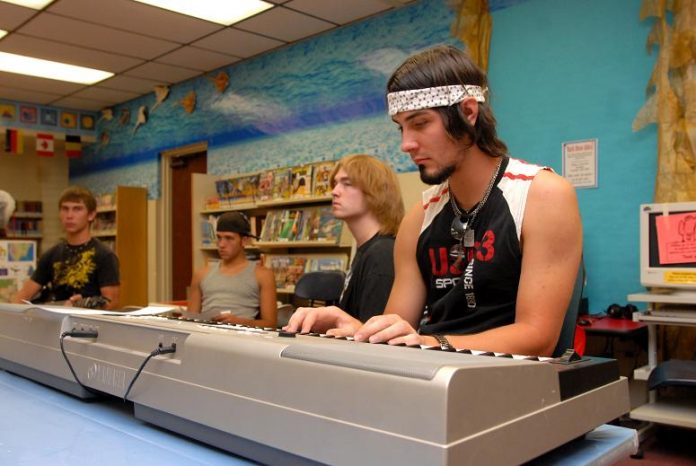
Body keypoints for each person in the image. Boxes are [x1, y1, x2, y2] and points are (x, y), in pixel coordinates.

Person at [286, 45, 582, 357]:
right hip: (431, 373)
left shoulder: (542, 195)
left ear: (468, 112)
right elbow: (397, 327)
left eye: (420, 123)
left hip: (510, 386)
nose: (406, 144)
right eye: (401, 127)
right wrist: (358, 330)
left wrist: (431, 343)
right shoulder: (419, 218)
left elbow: (537, 337)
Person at [296, 154, 404, 322]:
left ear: (375, 192)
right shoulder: (368, 250)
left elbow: (373, 340)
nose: (334, 191)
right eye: (336, 183)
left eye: (347, 184)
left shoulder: (382, 254)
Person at [12, 186, 120, 309]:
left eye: (77, 209)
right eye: (65, 209)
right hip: (56, 322)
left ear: (91, 215)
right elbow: (23, 296)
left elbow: (112, 301)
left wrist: (86, 304)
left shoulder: (105, 255)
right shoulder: (51, 255)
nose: (69, 215)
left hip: (90, 324)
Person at [188, 211, 277, 327]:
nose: (221, 244)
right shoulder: (201, 273)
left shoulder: (263, 275)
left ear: (244, 241)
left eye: (229, 238)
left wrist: (239, 322)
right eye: (219, 238)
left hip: (241, 338)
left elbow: (270, 324)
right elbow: (190, 319)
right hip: (205, 335)